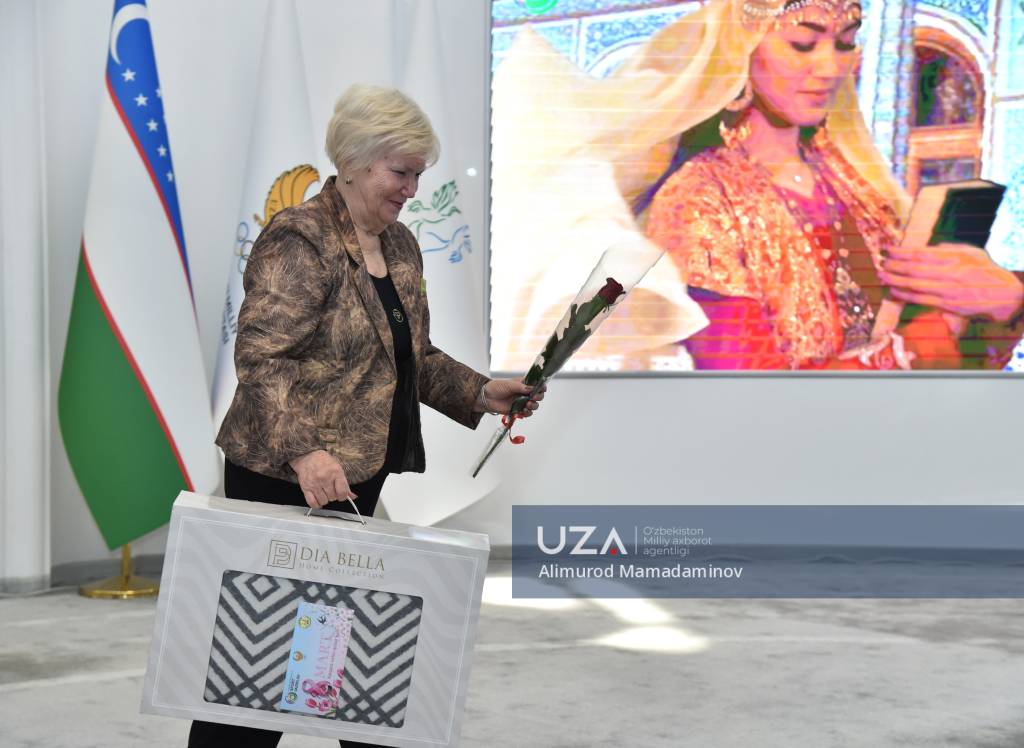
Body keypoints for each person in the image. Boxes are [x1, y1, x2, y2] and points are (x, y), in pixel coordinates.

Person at [189, 84, 542, 748]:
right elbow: (261, 356)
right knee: (259, 672)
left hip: (355, 477)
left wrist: (481, 392)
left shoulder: (399, 245)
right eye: (400, 172)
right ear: (353, 161)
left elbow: (410, 356)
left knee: (351, 664)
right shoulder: (301, 237)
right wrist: (305, 452)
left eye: (418, 174)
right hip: (282, 476)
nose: (411, 189)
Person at [491, 0, 1024, 371]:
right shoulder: (702, 197)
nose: (829, 67)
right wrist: (932, 335)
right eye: (803, 43)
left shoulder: (858, 187)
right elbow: (750, 389)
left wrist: (1004, 300)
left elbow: (962, 358)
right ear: (743, 50)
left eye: (844, 44)